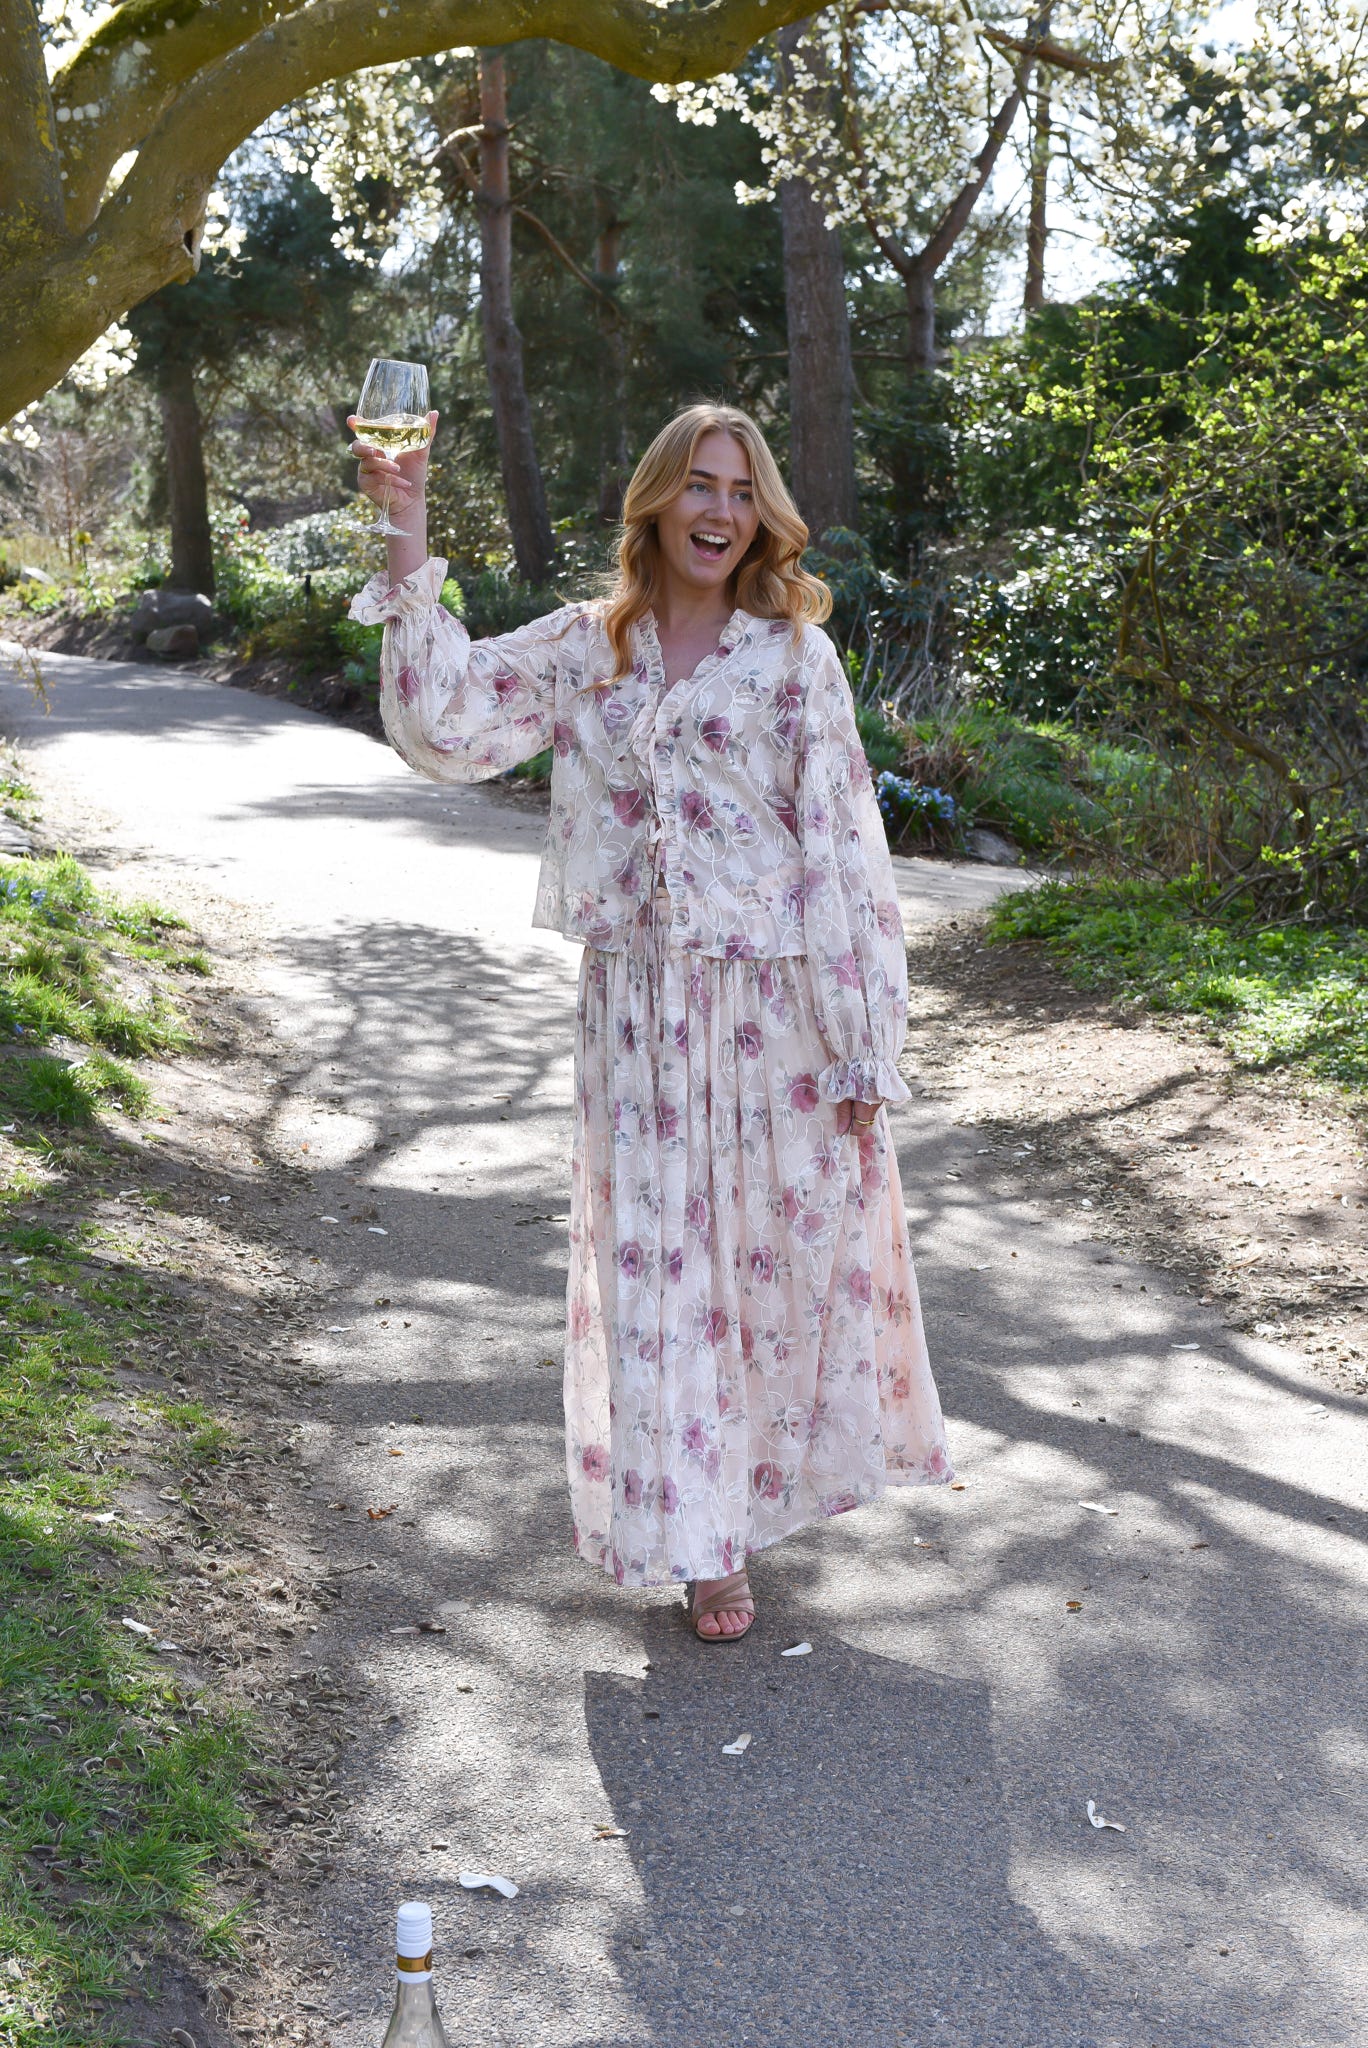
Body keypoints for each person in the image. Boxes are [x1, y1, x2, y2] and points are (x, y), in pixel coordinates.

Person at [348, 401, 953, 1643]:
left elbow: (845, 849)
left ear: (761, 514)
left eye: (741, 489)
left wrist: (863, 1036)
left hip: (775, 1016)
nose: (720, 510)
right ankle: (701, 1543)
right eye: (699, 485)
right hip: (636, 1016)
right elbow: (445, 723)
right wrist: (407, 527)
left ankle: (743, 1505)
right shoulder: (590, 646)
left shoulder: (793, 660)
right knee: (659, 1278)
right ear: (657, 502)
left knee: (765, 1275)